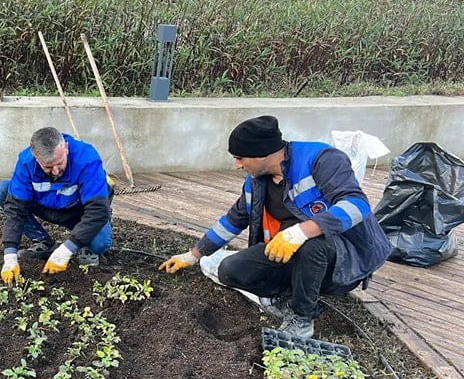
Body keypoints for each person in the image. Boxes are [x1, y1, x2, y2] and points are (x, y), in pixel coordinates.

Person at [159, 115, 391, 339]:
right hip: (291, 250)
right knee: (230, 270)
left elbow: (357, 205)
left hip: (345, 255)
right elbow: (234, 219)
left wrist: (302, 231)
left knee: (312, 245)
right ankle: (288, 298)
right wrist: (192, 256)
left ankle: (302, 318)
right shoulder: (256, 181)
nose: (237, 165)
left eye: (240, 158)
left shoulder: (321, 159)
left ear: (262, 154)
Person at [0, 127, 113, 284]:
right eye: (48, 167)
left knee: (100, 243)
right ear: (36, 157)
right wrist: (10, 256)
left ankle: (85, 247)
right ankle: (43, 242)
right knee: (3, 190)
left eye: (59, 163)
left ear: (65, 147)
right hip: (45, 206)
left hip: (79, 212)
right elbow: (15, 209)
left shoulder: (86, 159)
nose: (56, 170)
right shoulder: (26, 163)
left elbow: (98, 211)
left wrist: (68, 249)